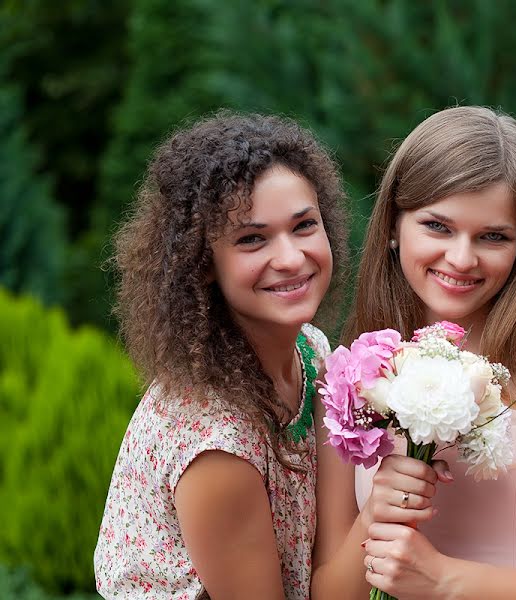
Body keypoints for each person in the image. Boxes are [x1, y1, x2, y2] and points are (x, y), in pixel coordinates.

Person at [94, 112, 435, 599]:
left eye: (303, 226)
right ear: (204, 264)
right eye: (253, 239)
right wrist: (380, 511)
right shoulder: (215, 442)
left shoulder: (310, 353)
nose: (292, 257)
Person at [345, 106, 516, 599]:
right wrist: (375, 513)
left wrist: (446, 581)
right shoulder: (360, 374)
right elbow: (328, 591)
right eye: (437, 226)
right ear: (393, 225)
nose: (461, 258)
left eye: (492, 236)